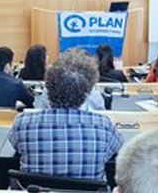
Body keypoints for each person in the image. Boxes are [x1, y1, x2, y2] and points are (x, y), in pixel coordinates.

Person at [8, 48, 122, 181]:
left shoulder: (22, 123)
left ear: (49, 87)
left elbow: (16, 146)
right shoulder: (104, 126)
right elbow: (115, 150)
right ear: (87, 91)